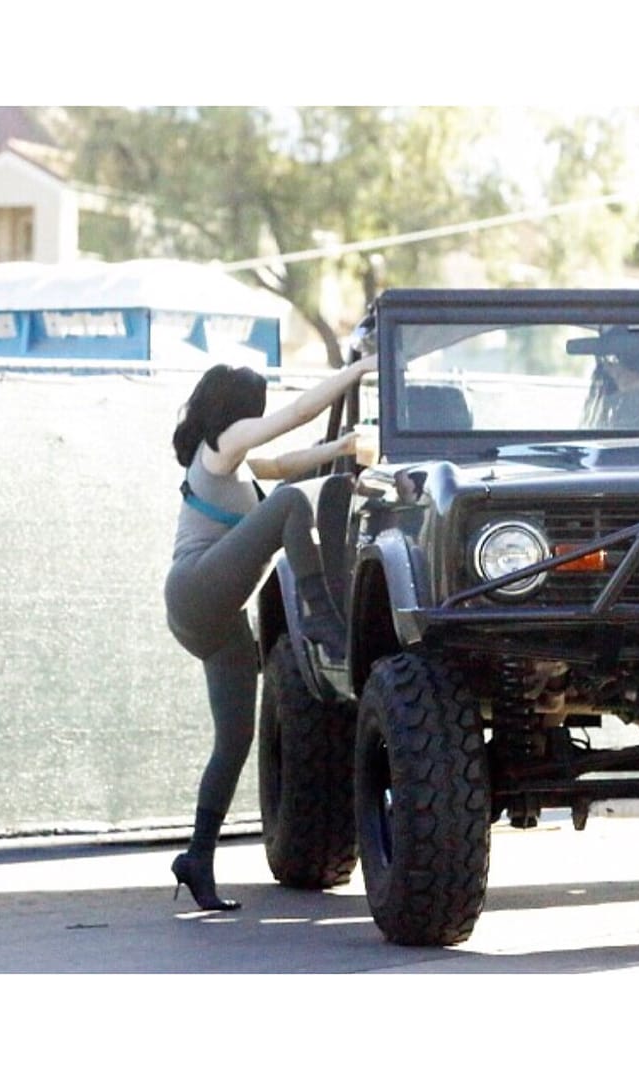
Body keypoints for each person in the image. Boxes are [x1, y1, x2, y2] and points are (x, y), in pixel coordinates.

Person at [164, 356, 375, 911]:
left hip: (216, 619)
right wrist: (362, 369)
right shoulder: (222, 443)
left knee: (234, 743)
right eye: (254, 408)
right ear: (237, 410)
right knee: (289, 506)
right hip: (197, 591)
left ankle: (197, 858)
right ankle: (318, 612)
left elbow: (284, 461)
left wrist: (342, 449)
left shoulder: (233, 466)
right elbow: (299, 413)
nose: (258, 416)